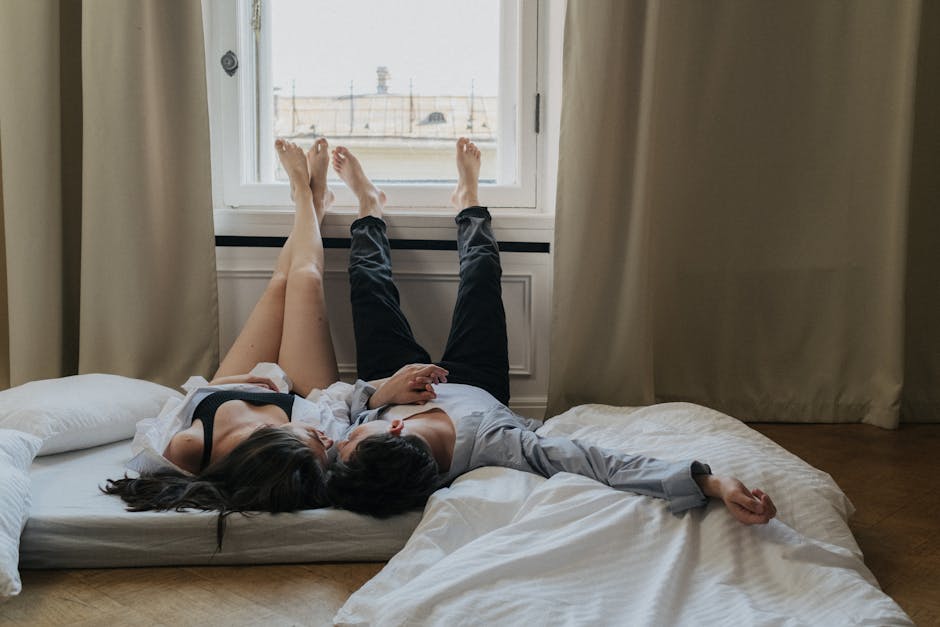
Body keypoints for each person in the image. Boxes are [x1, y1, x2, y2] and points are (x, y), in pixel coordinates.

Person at [326, 138, 778, 526]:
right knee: (481, 276)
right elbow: (597, 462)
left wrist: (384, 393)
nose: (342, 437)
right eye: (352, 440)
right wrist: (712, 482)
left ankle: (369, 205)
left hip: (392, 377)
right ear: (399, 431)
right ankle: (469, 200)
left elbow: (346, 405)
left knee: (369, 284)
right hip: (477, 382)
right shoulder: (496, 445)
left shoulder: (375, 441)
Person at [104, 138, 446, 541]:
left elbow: (173, 405)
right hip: (304, 394)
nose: (326, 440)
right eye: (324, 448)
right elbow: (335, 410)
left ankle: (312, 201)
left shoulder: (188, 449)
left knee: (280, 283)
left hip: (224, 392)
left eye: (310, 439)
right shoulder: (314, 454)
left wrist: (228, 384)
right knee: (305, 280)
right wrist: (351, 409)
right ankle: (307, 196)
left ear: (267, 445)